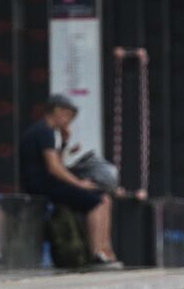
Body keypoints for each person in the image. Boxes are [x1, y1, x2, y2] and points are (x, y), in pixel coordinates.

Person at [19, 95, 121, 267]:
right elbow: (54, 167)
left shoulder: (46, 132)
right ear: (58, 111)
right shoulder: (44, 131)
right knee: (96, 201)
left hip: (47, 184)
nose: (68, 122)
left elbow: (57, 161)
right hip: (43, 186)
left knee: (104, 198)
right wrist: (79, 184)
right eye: (68, 116)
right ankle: (96, 253)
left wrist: (65, 142)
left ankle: (106, 250)